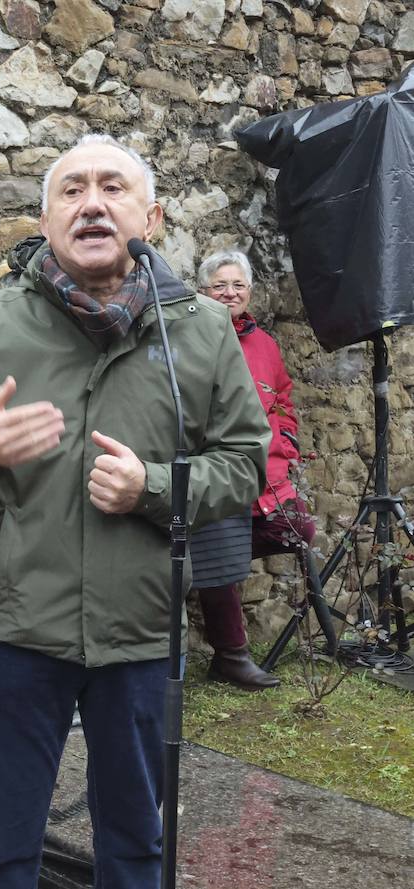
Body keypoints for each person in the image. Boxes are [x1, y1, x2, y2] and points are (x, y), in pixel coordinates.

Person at [0, 135, 269, 889]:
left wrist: (155, 488)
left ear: (152, 216)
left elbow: (245, 464)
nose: (91, 202)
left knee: (135, 839)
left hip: (139, 633)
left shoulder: (196, 330)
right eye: (71, 190)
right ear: (45, 214)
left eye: (112, 187)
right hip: (19, 628)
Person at [191, 250, 315, 690]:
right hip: (219, 473)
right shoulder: (189, 334)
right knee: (218, 547)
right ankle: (231, 656)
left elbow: (281, 399)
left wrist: (285, 444)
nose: (230, 293)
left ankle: (204, 562)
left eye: (237, 285)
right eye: (220, 285)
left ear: (249, 291)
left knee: (298, 529)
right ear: (204, 291)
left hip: (268, 475)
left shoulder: (264, 344)